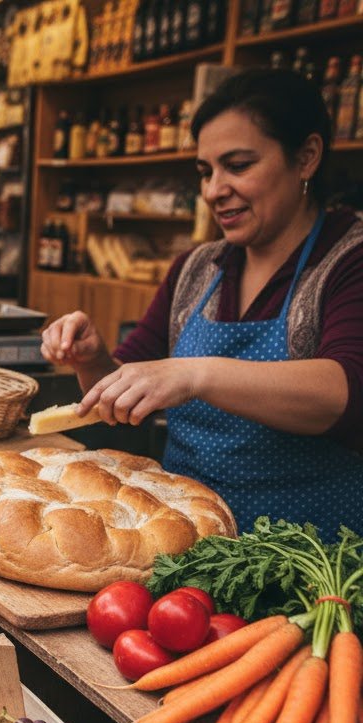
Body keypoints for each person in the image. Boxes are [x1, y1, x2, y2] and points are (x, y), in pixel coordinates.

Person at [40, 69, 363, 538]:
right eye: (206, 172)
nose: (214, 190)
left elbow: (345, 392)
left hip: (309, 556)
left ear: (306, 157)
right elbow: (126, 404)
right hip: (185, 539)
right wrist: (93, 361)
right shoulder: (197, 268)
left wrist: (195, 373)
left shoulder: (348, 259)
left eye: (238, 165)